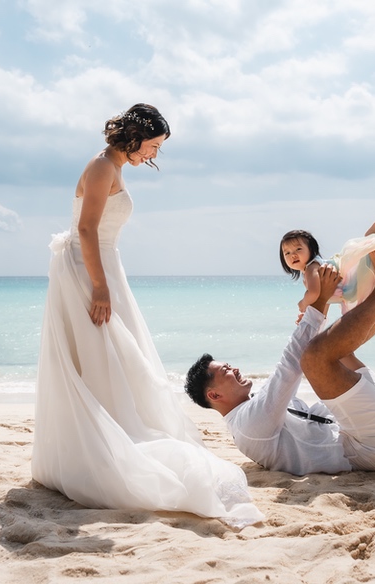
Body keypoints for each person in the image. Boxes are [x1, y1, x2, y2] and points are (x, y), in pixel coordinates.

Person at [34, 104, 261, 528]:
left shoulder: (113, 167)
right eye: (153, 146)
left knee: (115, 358)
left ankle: (111, 435)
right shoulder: (102, 167)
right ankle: (102, 448)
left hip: (104, 265)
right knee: (102, 354)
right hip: (88, 271)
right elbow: (86, 229)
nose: (154, 155)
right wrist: (99, 287)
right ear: (135, 137)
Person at [185, 244, 375, 476]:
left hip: (374, 432)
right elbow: (290, 367)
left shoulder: (254, 408)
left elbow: (296, 361)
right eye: (226, 371)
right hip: (369, 446)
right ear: (214, 395)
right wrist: (320, 301)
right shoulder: (248, 425)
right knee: (313, 359)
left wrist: (320, 306)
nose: (235, 369)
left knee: (338, 350)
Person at [280, 217, 375, 319]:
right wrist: (307, 315)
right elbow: (322, 302)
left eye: (298, 249)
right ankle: (374, 237)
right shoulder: (308, 274)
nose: (293, 255)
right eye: (287, 253)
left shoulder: (312, 268)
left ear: (311, 250)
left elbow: (314, 293)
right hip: (351, 289)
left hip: (353, 276)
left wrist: (303, 303)